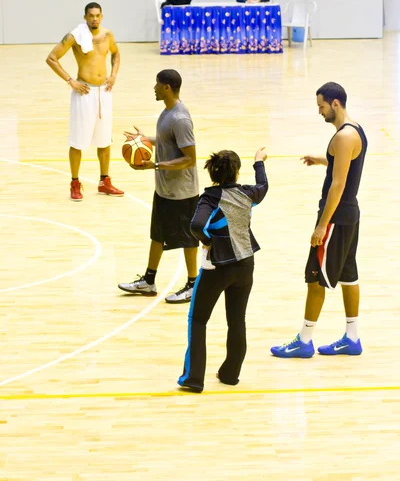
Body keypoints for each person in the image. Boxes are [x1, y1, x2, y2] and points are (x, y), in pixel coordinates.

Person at [271, 82, 367, 359]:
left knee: (315, 279)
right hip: (350, 214)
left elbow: (338, 185)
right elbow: (345, 166)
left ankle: (304, 340)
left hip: (336, 217)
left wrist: (322, 224)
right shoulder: (355, 130)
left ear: (335, 104)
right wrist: (323, 159)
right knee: (349, 276)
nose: (320, 111)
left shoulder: (343, 137)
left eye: (321, 106)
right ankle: (352, 338)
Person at [178, 147, 269, 393]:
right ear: (237, 173)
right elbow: (263, 186)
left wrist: (208, 241)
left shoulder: (210, 197)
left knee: (198, 320)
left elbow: (196, 225)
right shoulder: (248, 193)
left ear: (213, 174)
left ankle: (193, 378)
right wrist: (259, 162)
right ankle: (230, 374)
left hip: (217, 267)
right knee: (237, 320)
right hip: (246, 265)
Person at [118, 69, 199, 304]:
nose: (154, 88)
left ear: (167, 88)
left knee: (188, 240)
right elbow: (166, 140)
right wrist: (144, 140)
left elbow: (190, 159)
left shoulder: (180, 118)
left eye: (157, 84)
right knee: (157, 236)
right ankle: (149, 281)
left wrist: (154, 165)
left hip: (182, 192)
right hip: (165, 189)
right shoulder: (167, 112)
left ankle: (193, 284)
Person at [46, 2, 124, 201]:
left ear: (102, 16)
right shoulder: (75, 35)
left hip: (104, 92)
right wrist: (70, 80)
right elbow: (52, 58)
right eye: (91, 15)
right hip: (84, 92)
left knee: (105, 140)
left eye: (97, 15)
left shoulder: (108, 35)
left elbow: (116, 53)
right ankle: (74, 182)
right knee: (78, 141)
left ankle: (104, 181)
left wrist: (114, 75)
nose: (94, 19)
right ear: (85, 17)